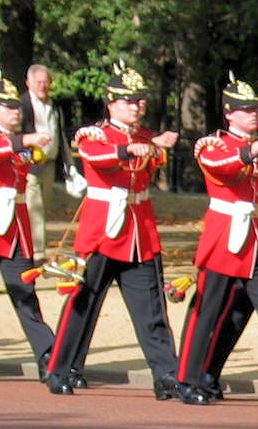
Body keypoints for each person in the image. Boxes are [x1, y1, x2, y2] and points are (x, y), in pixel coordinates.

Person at [44, 62, 182, 400]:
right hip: (102, 232)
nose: (136, 106)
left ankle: (166, 374)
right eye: (128, 101)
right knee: (83, 304)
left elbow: (156, 153)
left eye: (139, 101)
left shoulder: (145, 136)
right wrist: (127, 149)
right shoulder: (97, 133)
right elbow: (95, 155)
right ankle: (61, 368)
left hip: (139, 234)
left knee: (151, 311)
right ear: (111, 103)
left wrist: (158, 143)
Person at [178, 74, 258, 406]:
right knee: (207, 312)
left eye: (255, 110)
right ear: (229, 114)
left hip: (257, 242)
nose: (253, 115)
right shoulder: (216, 143)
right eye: (245, 110)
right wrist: (252, 151)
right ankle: (188, 378)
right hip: (224, 238)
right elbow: (219, 167)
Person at [0, 71, 56, 383]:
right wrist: (22, 141)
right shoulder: (16, 141)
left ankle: (47, 354)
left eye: (16, 107)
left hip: (13, 228)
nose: (15, 111)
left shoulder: (18, 142)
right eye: (7, 107)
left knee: (24, 292)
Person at [19, 64, 74, 263]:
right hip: (30, 164)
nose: (43, 86)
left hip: (50, 163)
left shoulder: (55, 105)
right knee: (35, 206)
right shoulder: (21, 104)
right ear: (28, 83)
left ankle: (32, 247)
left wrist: (68, 164)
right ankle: (37, 253)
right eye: (38, 82)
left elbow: (60, 134)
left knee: (44, 206)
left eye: (46, 82)